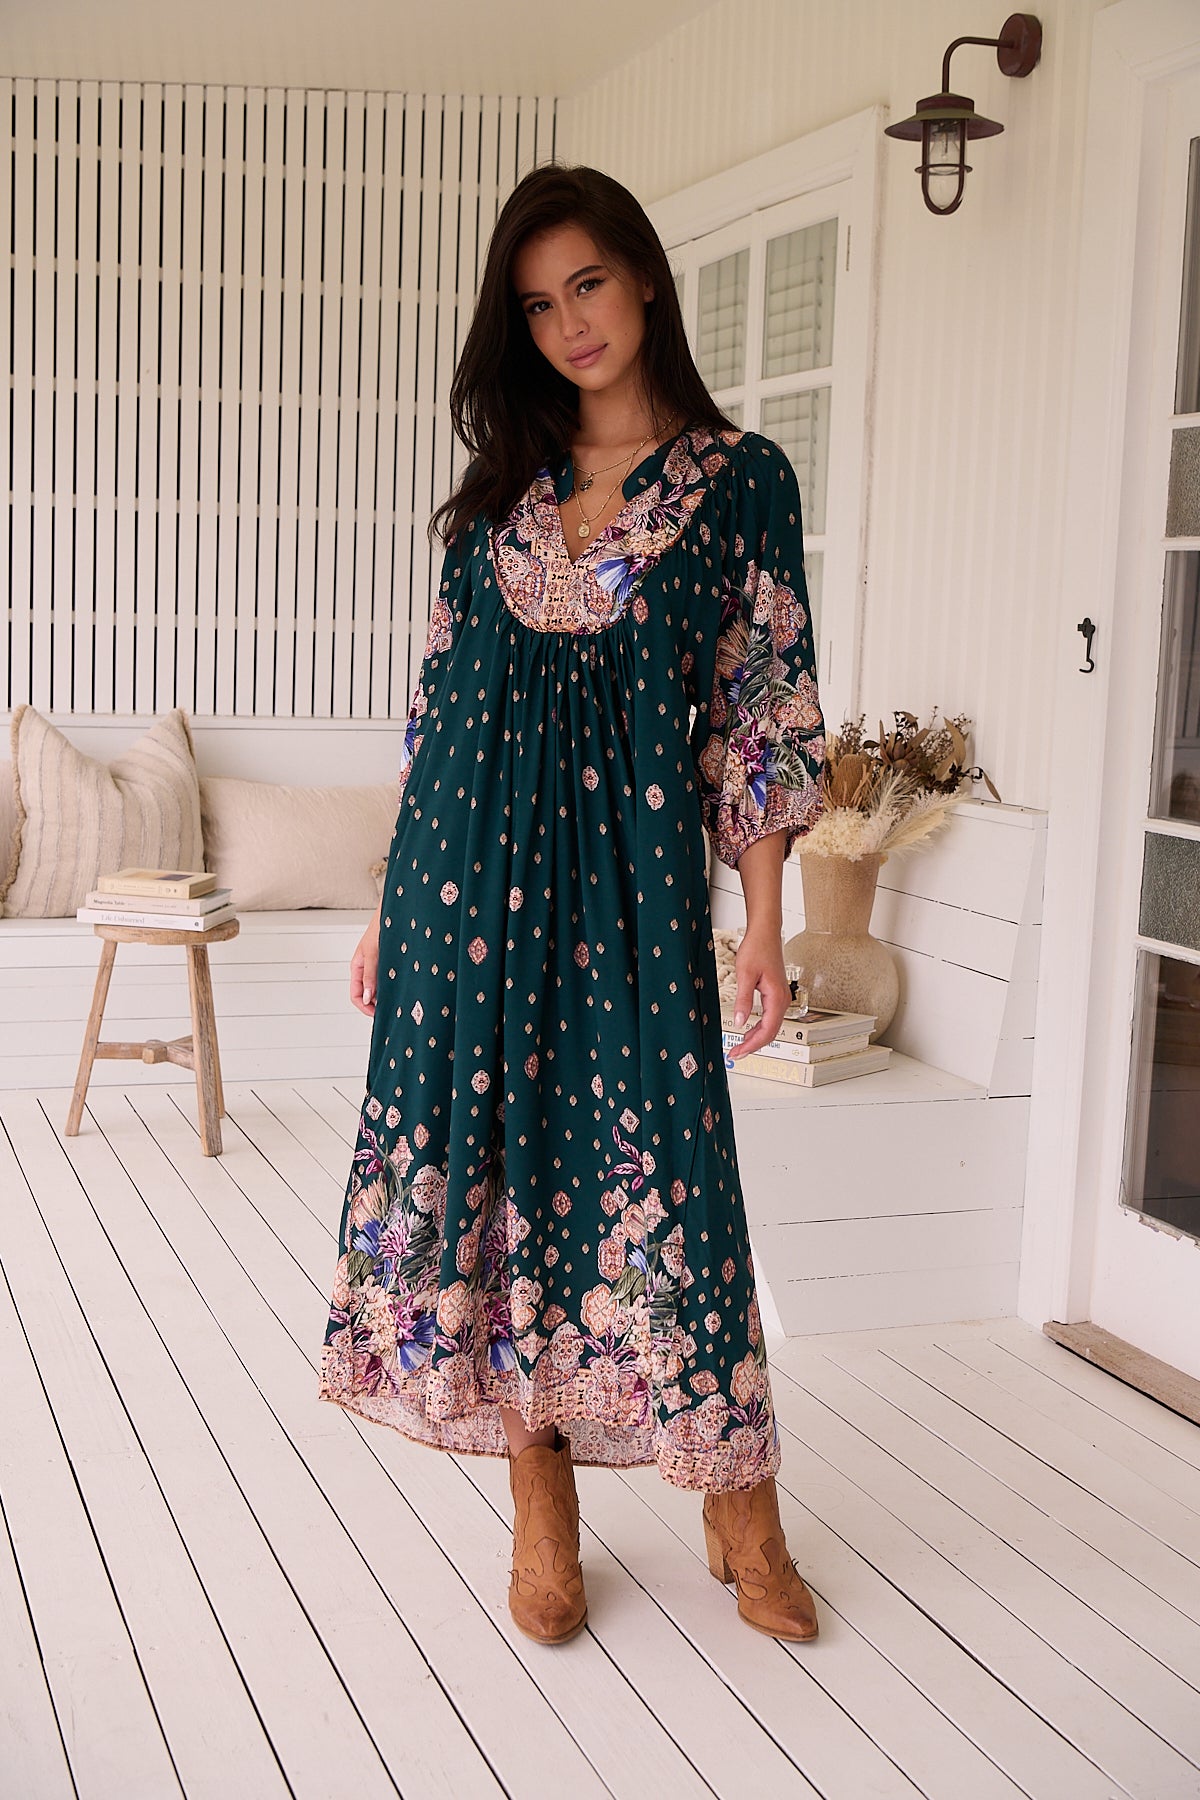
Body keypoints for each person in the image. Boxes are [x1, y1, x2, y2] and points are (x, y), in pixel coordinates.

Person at [319, 163, 826, 1646]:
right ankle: (542, 1506)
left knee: (673, 1188)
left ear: (647, 279)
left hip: (633, 907)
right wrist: (380, 910)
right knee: (502, 1195)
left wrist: (768, 925)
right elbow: (437, 722)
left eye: (587, 285)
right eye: (537, 305)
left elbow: (762, 715)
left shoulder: (742, 485)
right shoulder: (498, 507)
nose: (568, 325)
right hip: (455, 898)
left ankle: (745, 1507)